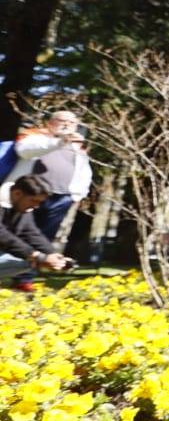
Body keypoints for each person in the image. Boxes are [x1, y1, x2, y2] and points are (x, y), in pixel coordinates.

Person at [3, 110, 91, 290]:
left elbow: (31, 233)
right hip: (25, 193)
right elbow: (24, 151)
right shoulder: (35, 136)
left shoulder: (77, 146)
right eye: (63, 121)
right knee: (12, 236)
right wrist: (59, 141)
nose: (68, 125)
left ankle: (25, 279)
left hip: (59, 197)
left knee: (38, 235)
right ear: (49, 123)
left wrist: (51, 254)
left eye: (73, 122)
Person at [0, 175, 75, 281]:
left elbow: (31, 233)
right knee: (29, 262)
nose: (36, 206)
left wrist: (53, 255)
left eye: (39, 202)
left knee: (29, 263)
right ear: (17, 193)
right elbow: (2, 235)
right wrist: (36, 256)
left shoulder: (22, 207)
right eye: (34, 201)